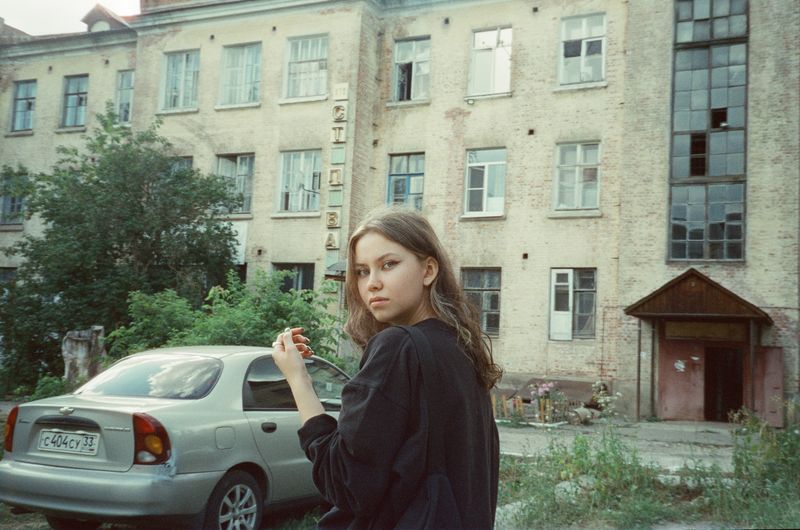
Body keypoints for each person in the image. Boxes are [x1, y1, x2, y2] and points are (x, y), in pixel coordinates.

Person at [272, 207, 502, 529]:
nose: (372, 284)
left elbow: (344, 483)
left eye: (388, 265)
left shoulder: (398, 347)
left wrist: (298, 378)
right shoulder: (461, 349)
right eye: (363, 271)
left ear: (428, 270)